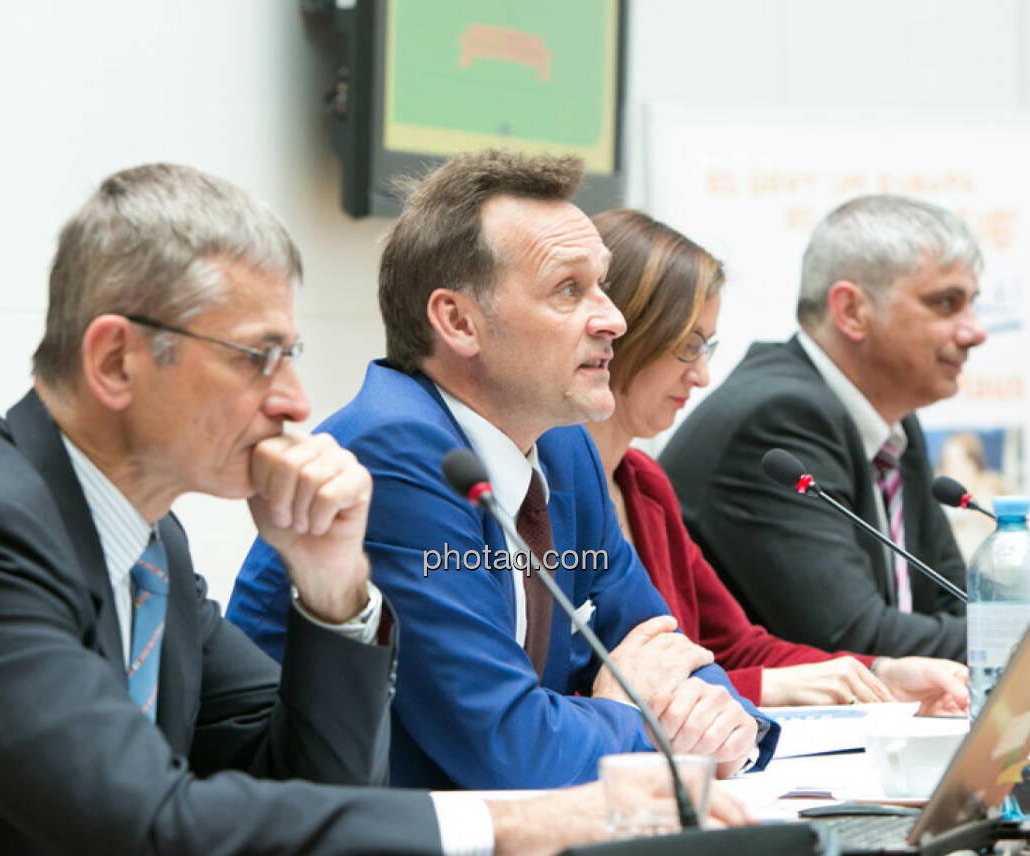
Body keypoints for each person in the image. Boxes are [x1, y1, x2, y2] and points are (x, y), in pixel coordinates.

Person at [0, 164, 749, 856]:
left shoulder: (151, 543)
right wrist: (525, 823)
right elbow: (156, 828)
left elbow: (305, 787)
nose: (296, 400)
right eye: (257, 357)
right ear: (116, 362)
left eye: (291, 353)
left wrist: (336, 588)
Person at [230, 150, 776, 790]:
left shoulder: (562, 444)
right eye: (569, 289)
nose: (613, 319)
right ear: (458, 321)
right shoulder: (395, 454)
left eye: (601, 284)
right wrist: (644, 722)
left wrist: (729, 725)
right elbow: (510, 749)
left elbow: (662, 643)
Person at [661, 195, 1030, 666]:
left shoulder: (893, 421)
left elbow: (952, 599)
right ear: (851, 312)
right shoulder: (778, 418)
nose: (975, 331)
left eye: (972, 304)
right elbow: (852, 634)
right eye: (946, 303)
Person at [585, 208, 966, 715]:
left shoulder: (644, 484)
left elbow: (737, 647)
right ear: (621, 334)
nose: (700, 376)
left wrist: (880, 673)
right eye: (687, 346)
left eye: (708, 347)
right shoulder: (544, 495)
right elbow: (592, 686)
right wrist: (768, 688)